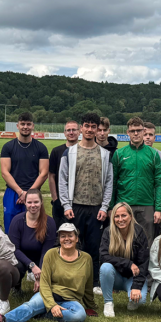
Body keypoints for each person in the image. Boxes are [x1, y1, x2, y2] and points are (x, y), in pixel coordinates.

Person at [0, 223, 96, 322]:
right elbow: (44, 283)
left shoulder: (86, 258)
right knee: (31, 306)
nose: (66, 239)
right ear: (59, 239)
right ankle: (3, 321)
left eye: (70, 236)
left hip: (71, 300)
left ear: (77, 238)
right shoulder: (51, 254)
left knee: (79, 315)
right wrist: (52, 305)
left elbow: (88, 283)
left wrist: (90, 305)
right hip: (48, 294)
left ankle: (41, 314)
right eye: (63, 236)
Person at [58, 112, 114, 292]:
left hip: (97, 209)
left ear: (98, 129)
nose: (90, 130)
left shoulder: (105, 155)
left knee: (94, 246)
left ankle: (95, 282)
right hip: (75, 207)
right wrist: (66, 205)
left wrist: (105, 207)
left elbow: (108, 183)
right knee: (73, 243)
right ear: (82, 128)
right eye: (87, 126)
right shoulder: (70, 152)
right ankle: (70, 278)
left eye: (94, 127)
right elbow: (63, 180)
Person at [111, 116, 161, 240]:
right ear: (127, 133)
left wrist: (159, 208)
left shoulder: (153, 154)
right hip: (124, 204)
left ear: (143, 131)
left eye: (139, 130)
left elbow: (159, 184)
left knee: (147, 242)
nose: (136, 133)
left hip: (147, 205)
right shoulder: (119, 154)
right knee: (123, 241)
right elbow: (113, 183)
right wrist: (111, 207)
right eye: (132, 131)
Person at [0, 111, 49, 233]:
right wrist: (20, 192)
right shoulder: (8, 147)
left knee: (34, 226)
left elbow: (44, 173)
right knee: (10, 227)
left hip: (33, 192)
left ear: (33, 126)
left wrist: (28, 193)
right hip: (13, 192)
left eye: (28, 124)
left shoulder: (41, 148)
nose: (25, 127)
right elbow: (5, 172)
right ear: (17, 126)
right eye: (22, 124)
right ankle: (10, 252)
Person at [98, 202, 150, 317]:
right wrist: (128, 263)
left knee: (140, 300)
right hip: (115, 276)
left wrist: (136, 286)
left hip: (133, 277)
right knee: (105, 267)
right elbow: (103, 256)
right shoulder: (108, 232)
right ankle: (108, 302)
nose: (120, 219)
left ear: (131, 216)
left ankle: (132, 295)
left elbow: (143, 263)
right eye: (117, 216)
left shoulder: (139, 232)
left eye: (124, 216)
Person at [8, 189, 57, 293]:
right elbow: (14, 249)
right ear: (25, 203)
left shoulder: (50, 222)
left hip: (41, 256)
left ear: (41, 202)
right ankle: (16, 286)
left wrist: (40, 276)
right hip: (21, 257)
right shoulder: (17, 221)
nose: (33, 205)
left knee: (52, 262)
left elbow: (46, 251)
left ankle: (47, 285)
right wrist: (32, 266)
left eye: (36, 202)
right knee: (16, 265)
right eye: (29, 202)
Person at [48, 120, 80, 225]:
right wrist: (55, 199)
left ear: (79, 132)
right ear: (64, 133)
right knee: (60, 233)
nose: (71, 132)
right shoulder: (56, 151)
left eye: (74, 130)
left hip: (79, 202)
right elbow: (51, 176)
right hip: (60, 202)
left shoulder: (84, 151)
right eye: (68, 130)